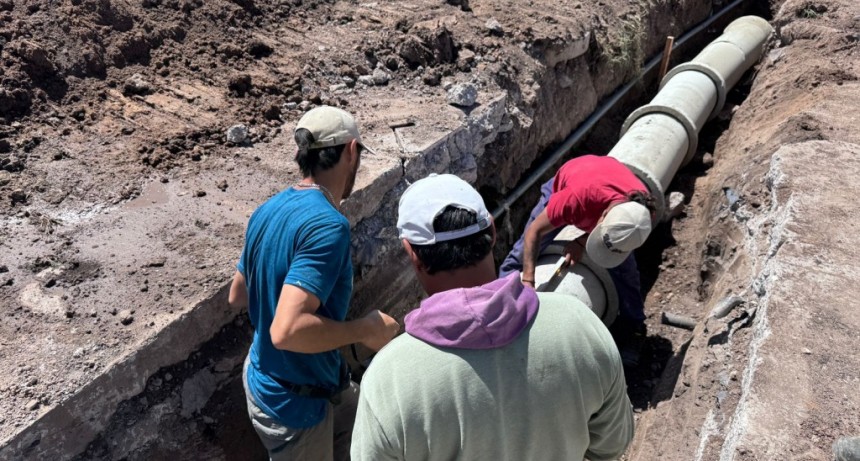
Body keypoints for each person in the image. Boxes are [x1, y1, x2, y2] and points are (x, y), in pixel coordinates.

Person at [351, 173, 634, 460]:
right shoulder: (582, 326)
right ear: (492, 232)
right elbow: (611, 444)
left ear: (412, 253)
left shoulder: (388, 379)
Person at [228, 106, 400, 461]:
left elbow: (238, 295)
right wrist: (365, 329)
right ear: (351, 151)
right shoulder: (328, 226)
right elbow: (288, 331)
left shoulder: (268, 208)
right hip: (294, 407)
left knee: (362, 424)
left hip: (269, 377)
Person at [498, 154, 656, 368]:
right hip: (575, 178)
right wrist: (527, 280)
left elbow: (614, 234)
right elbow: (534, 232)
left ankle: (635, 326)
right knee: (517, 260)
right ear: (604, 214)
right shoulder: (575, 200)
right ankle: (499, 315)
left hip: (606, 177)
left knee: (627, 274)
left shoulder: (640, 215)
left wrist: (581, 242)